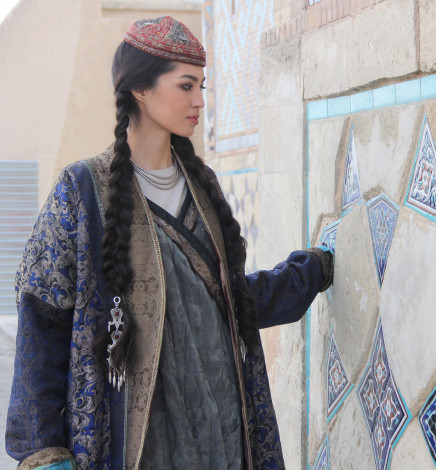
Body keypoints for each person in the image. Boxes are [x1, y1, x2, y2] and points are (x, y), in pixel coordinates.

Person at [6, 16, 333, 470]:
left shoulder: (203, 188)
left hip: (221, 434)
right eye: (186, 86)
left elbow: (229, 302)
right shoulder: (82, 190)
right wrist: (44, 451)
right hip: (134, 444)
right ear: (141, 89)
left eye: (202, 86)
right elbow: (43, 319)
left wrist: (308, 274)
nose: (200, 101)